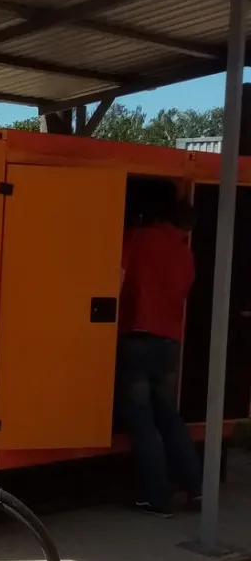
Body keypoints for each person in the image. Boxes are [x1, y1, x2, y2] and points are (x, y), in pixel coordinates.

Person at [116, 197, 202, 518]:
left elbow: (116, 277)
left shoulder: (138, 238)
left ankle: (158, 498)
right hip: (169, 344)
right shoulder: (185, 253)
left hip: (136, 337)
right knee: (168, 416)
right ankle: (197, 488)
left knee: (141, 421)